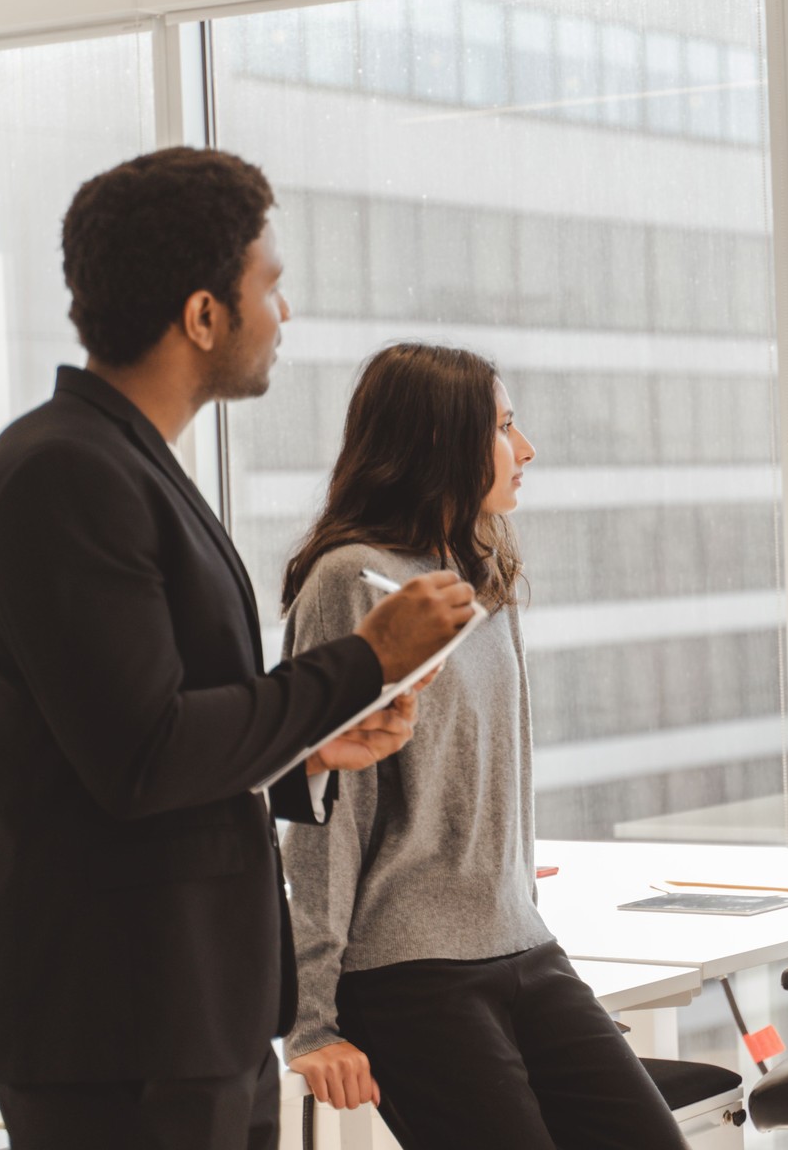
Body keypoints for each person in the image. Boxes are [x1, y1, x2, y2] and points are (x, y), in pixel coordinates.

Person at [0, 147, 474, 1150]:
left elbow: (139, 736)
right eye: (271, 283)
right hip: (118, 1020)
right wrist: (365, 660)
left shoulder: (116, 463)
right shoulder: (65, 475)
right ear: (203, 314)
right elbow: (143, 754)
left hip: (171, 1012)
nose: (284, 313)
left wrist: (306, 751)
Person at [277, 343, 686, 1150]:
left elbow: (507, 767)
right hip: (407, 971)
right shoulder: (353, 581)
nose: (525, 448)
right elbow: (323, 805)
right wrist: (311, 1018)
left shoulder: (480, 571)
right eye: (503, 426)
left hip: (520, 940)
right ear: (439, 443)